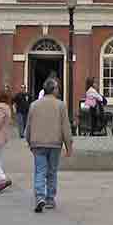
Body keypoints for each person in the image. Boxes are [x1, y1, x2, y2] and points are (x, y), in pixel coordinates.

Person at [25, 77, 73, 213]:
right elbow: (65, 127)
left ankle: (40, 197)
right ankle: (50, 198)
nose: (58, 90)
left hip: (37, 143)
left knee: (40, 171)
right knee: (52, 172)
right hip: (54, 144)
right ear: (54, 90)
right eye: (57, 88)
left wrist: (29, 141)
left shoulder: (34, 105)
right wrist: (68, 145)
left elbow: (29, 125)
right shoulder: (60, 105)